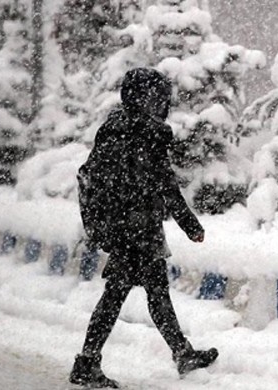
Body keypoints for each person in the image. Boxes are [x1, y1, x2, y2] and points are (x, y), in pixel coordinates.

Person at [70, 68, 218, 389]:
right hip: (134, 232)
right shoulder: (143, 134)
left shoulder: (116, 129)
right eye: (159, 97)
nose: (163, 103)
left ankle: (181, 353)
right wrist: (190, 225)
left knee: (153, 292)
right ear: (145, 98)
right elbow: (165, 185)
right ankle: (87, 362)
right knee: (120, 296)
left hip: (130, 229)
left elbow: (110, 180)